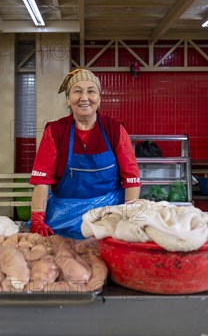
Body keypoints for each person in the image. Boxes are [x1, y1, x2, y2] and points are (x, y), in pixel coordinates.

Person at [29, 68, 141, 238]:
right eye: (77, 91)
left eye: (91, 91)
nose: (84, 98)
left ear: (99, 98)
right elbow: (42, 180)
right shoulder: (55, 131)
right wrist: (37, 217)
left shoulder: (115, 129)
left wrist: (129, 217)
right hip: (63, 220)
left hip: (107, 219)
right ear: (68, 100)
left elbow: (131, 178)